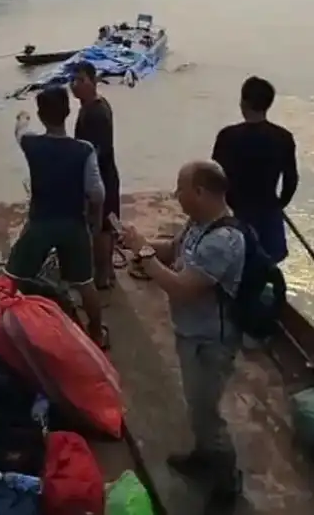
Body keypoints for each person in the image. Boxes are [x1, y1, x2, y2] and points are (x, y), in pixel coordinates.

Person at [119, 161, 244, 511]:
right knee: (197, 403)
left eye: (181, 188)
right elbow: (173, 250)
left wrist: (143, 255)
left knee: (208, 412)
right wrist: (140, 244)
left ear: (201, 192)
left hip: (210, 341)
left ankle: (227, 480)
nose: (176, 195)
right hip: (191, 333)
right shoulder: (198, 225)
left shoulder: (223, 240)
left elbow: (182, 288)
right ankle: (204, 457)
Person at [5, 86, 109, 349]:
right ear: (67, 112)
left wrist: (22, 116)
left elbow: (20, 130)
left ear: (41, 115)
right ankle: (96, 333)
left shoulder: (31, 144)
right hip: (74, 224)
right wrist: (94, 222)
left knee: (12, 276)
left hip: (40, 223)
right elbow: (97, 193)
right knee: (85, 283)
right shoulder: (84, 150)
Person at [211, 76, 296, 264]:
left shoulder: (227, 137)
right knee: (268, 263)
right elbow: (291, 180)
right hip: (268, 211)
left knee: (237, 264)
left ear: (243, 102)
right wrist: (278, 205)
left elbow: (214, 178)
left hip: (237, 212)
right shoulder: (283, 138)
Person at [71, 60, 122, 290]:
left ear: (94, 81)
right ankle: (106, 271)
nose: (75, 85)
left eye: (81, 80)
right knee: (105, 225)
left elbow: (98, 150)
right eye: (73, 80)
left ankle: (103, 275)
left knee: (102, 226)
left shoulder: (96, 113)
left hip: (101, 176)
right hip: (103, 174)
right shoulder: (90, 107)